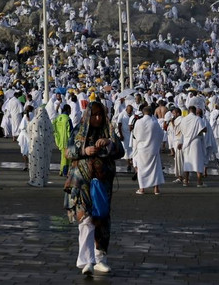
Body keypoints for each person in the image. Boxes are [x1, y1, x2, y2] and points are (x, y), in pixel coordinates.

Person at [64, 101, 125, 276]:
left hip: (102, 184)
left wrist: (108, 144)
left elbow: (120, 150)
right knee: (86, 220)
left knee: (101, 218)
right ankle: (86, 260)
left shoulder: (108, 130)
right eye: (95, 115)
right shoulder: (79, 130)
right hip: (81, 183)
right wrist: (84, 150)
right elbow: (68, 151)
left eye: (100, 115)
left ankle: (100, 258)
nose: (98, 118)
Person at [129, 105, 164, 195]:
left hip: (142, 148)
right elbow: (161, 135)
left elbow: (135, 135)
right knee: (155, 169)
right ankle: (156, 189)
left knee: (141, 169)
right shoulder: (154, 123)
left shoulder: (139, 122)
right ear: (151, 113)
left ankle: (142, 189)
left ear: (143, 113)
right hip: (152, 148)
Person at [175, 102, 208, 187]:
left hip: (186, 142)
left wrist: (181, 142)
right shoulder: (197, 119)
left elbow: (181, 131)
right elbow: (204, 130)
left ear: (189, 111)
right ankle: (199, 182)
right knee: (198, 161)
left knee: (187, 162)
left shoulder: (184, 119)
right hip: (195, 142)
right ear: (194, 111)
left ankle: (186, 181)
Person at [27, 99, 55, 188]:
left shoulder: (35, 121)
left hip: (36, 146)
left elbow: (28, 129)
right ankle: (43, 180)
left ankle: (35, 180)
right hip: (46, 147)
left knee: (36, 162)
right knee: (44, 163)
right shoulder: (48, 122)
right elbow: (52, 133)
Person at [54, 104, 74, 177]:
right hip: (67, 140)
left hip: (60, 140)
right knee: (66, 157)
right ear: (68, 110)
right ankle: (65, 171)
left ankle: (61, 171)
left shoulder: (58, 118)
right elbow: (71, 131)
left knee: (63, 156)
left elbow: (55, 129)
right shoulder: (67, 119)